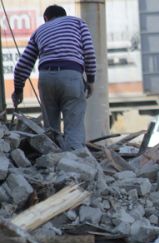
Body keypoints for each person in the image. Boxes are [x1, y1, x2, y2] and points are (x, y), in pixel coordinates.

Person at [12, 5, 96, 151]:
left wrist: (18, 90)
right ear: (64, 15)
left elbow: (22, 65)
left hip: (46, 79)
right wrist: (91, 80)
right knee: (74, 127)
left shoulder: (39, 31)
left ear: (46, 18)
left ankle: (53, 165)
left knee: (51, 130)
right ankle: (76, 165)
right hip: (71, 76)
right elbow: (88, 51)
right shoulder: (77, 22)